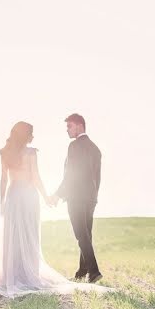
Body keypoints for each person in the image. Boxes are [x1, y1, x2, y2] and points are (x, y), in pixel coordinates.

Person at [0, 121, 110, 298]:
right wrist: (46, 197)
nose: (33, 136)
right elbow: (35, 177)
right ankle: (31, 273)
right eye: (31, 132)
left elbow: (3, 180)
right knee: (29, 234)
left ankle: (12, 274)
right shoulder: (31, 153)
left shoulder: (4, 153)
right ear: (25, 135)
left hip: (12, 196)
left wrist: (2, 202)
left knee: (12, 235)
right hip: (29, 197)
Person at [47, 113, 103, 283]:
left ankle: (93, 271)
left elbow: (71, 174)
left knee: (81, 235)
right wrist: (94, 196)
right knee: (86, 234)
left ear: (79, 126)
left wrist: (57, 194)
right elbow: (97, 177)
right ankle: (82, 270)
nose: (67, 130)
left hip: (76, 197)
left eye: (69, 126)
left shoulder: (74, 147)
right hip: (91, 198)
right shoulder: (95, 148)